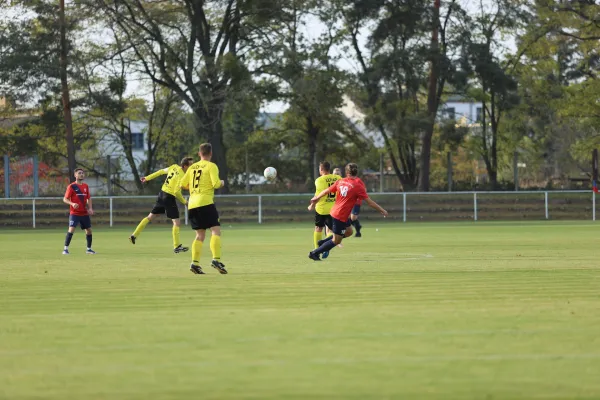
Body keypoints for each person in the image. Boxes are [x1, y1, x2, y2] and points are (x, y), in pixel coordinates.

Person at [308, 163, 388, 261]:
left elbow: (326, 191)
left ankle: (322, 242)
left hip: (338, 213)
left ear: (346, 172)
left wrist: (316, 198)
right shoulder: (357, 186)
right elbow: (370, 202)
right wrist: (382, 210)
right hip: (340, 216)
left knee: (349, 231)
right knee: (336, 240)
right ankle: (314, 253)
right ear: (356, 172)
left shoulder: (341, 181)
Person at [179, 143, 227, 275]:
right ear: (210, 154)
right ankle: (216, 260)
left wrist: (194, 187)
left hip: (192, 204)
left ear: (199, 154)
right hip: (205, 202)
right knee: (215, 230)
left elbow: (182, 184)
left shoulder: (192, 167)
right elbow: (216, 184)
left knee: (199, 235)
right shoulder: (211, 166)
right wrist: (222, 182)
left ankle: (195, 263)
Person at [129, 157, 194, 253]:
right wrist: (185, 202)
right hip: (169, 197)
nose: (192, 167)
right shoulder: (182, 176)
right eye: (191, 165)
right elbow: (176, 192)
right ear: (185, 166)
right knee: (176, 222)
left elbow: (160, 172)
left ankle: (134, 235)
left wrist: (147, 178)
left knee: (150, 216)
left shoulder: (173, 167)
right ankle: (177, 246)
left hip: (162, 194)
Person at [309, 161, 341, 251]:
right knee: (332, 231)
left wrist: (312, 205)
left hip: (322, 209)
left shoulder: (319, 180)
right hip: (334, 209)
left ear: (321, 169)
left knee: (318, 228)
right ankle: (325, 248)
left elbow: (318, 195)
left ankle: (317, 249)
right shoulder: (338, 178)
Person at [62, 168, 95, 255]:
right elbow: (65, 199)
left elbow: (88, 198)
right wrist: (72, 204)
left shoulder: (86, 186)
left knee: (89, 230)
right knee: (71, 229)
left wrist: (90, 208)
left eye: (82, 173)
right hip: (75, 213)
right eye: (79, 173)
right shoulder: (71, 186)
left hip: (84, 213)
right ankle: (65, 249)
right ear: (75, 175)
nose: (81, 174)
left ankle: (89, 249)